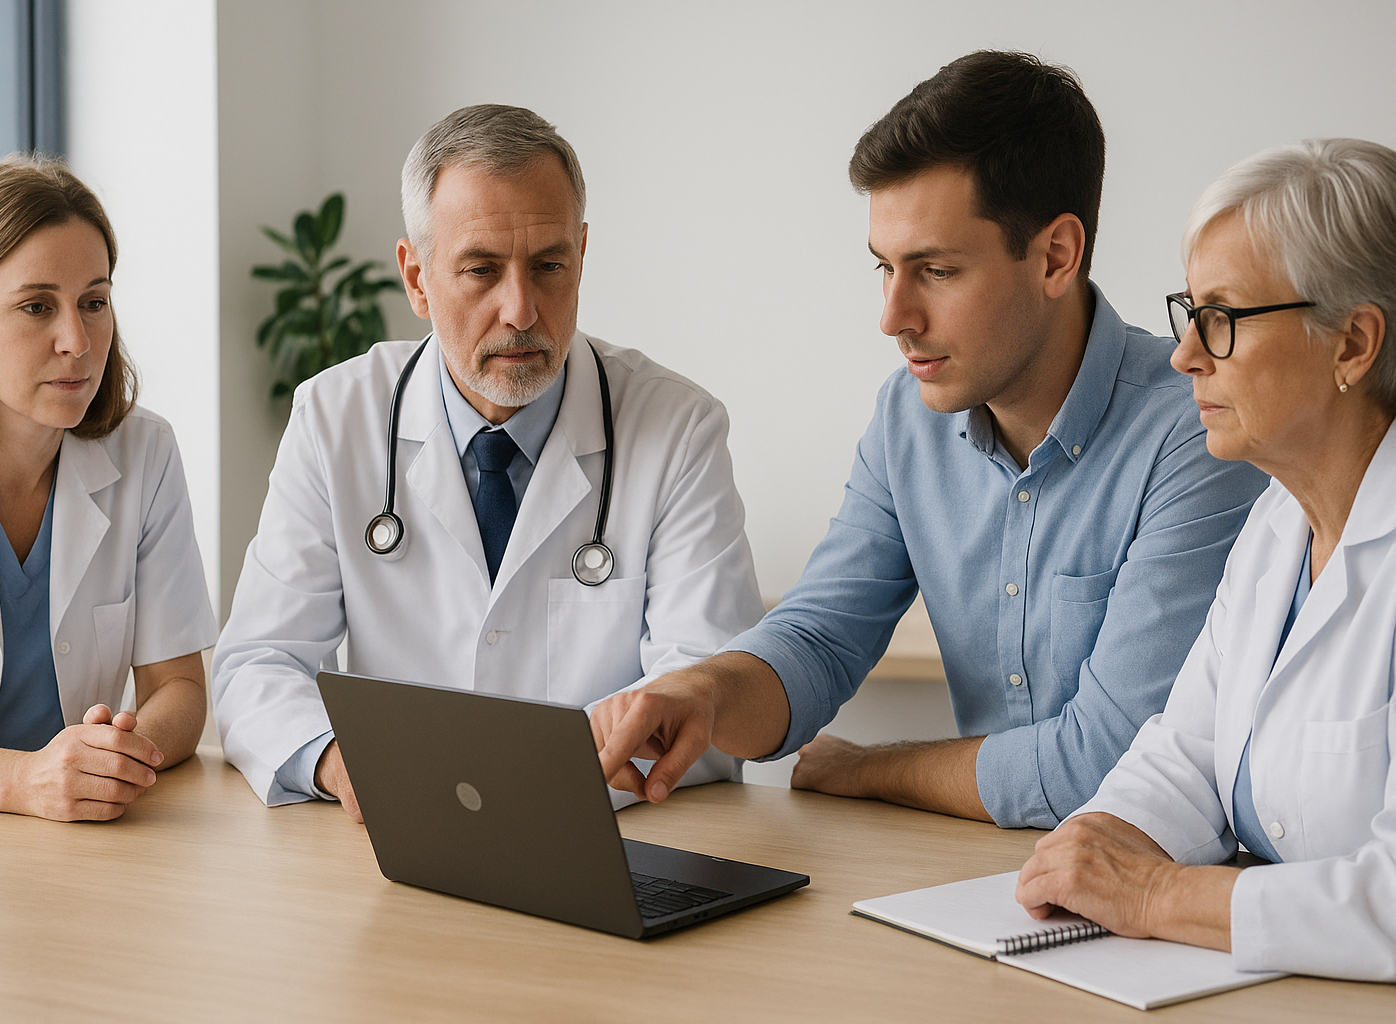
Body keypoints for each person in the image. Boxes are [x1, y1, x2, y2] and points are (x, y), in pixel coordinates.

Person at [592, 51, 1268, 829]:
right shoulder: (908, 417)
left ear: (1056, 256)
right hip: (984, 877)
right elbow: (818, 637)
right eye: (884, 267)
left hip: (1162, 887)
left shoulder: (1199, 429)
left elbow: (1104, 765)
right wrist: (706, 693)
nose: (893, 316)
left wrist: (868, 769)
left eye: (936, 270)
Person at [212, 105, 763, 817]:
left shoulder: (678, 429)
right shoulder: (334, 419)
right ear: (416, 278)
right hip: (401, 845)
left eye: (548, 266)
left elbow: (708, 693)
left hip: (610, 840)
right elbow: (258, 663)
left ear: (582, 257)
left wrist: (537, 781)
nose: (522, 310)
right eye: (481, 270)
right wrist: (342, 762)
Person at [1014, 139, 1396, 981]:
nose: (1185, 353)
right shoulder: (1274, 523)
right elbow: (1186, 751)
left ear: (1352, 345)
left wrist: (1154, 896)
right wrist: (1101, 839)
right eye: (1190, 313)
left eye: (1221, 318)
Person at [0, 158, 217, 822]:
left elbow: (179, 689)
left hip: (81, 842)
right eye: (36, 306)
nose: (78, 341)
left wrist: (116, 756)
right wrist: (23, 781)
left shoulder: (146, 453)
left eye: (94, 302)